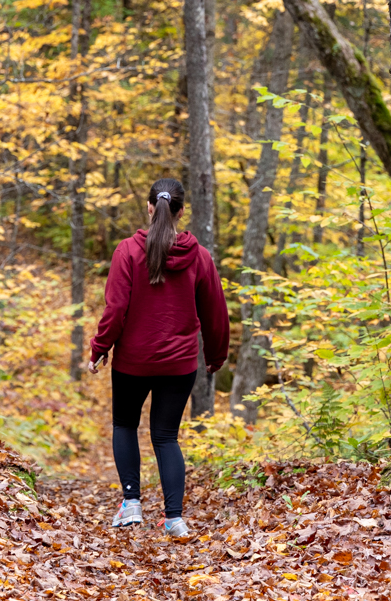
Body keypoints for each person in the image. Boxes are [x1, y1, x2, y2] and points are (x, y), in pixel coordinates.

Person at [87, 178, 230, 537]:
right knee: (166, 437)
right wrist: (216, 355)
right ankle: (173, 517)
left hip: (133, 361)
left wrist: (100, 348)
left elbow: (115, 309)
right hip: (179, 364)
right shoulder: (199, 256)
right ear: (181, 212)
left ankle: (131, 503)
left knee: (125, 425)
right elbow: (216, 312)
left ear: (150, 207)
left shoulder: (128, 252)